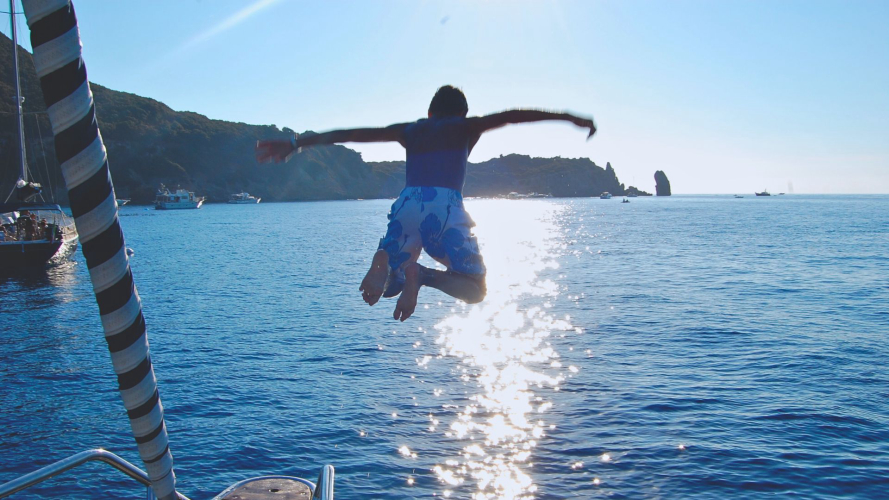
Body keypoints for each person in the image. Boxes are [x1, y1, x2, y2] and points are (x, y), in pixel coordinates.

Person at [256, 85, 596, 321]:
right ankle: (422, 275)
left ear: (429, 112)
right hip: (444, 206)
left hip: (408, 202)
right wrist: (568, 117)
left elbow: (355, 133)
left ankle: (385, 259)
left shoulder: (411, 130)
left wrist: (296, 143)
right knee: (475, 289)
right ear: (463, 113)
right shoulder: (466, 127)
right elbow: (513, 115)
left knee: (390, 287)